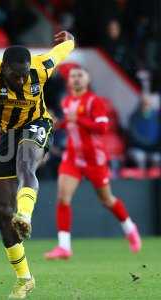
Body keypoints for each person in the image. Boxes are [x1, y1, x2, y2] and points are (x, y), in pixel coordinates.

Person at [0, 31, 75, 299]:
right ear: (4, 67)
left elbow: (63, 50)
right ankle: (24, 279)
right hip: (8, 134)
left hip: (37, 124)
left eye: (25, 75)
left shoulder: (40, 68)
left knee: (26, 165)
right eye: (16, 75)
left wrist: (69, 38)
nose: (22, 79)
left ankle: (25, 215)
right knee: (1, 210)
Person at [44, 67, 142, 260]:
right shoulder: (66, 101)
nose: (76, 79)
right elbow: (70, 124)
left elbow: (103, 127)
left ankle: (130, 227)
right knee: (63, 198)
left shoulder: (94, 101)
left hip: (94, 160)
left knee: (107, 200)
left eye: (80, 75)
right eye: (73, 76)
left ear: (87, 79)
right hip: (73, 157)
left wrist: (78, 119)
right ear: (69, 81)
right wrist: (58, 124)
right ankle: (64, 247)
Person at [127, 94, 161, 172]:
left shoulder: (157, 117)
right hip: (138, 148)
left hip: (154, 148)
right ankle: (141, 178)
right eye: (144, 104)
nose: (146, 106)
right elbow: (133, 136)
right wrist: (146, 143)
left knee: (157, 158)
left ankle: (155, 178)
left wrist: (155, 145)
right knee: (139, 157)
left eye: (148, 104)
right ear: (140, 104)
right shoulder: (133, 117)